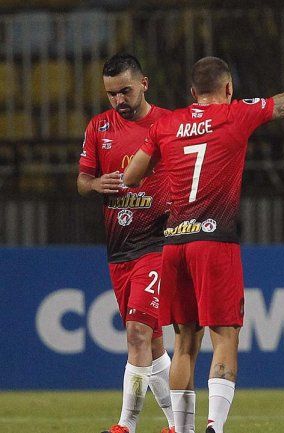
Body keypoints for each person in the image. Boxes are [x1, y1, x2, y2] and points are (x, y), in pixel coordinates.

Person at [123, 12, 284, 433]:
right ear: (228, 88)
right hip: (215, 240)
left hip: (173, 243)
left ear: (192, 92)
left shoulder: (168, 123)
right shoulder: (237, 113)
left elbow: (133, 175)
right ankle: (214, 427)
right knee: (224, 335)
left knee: (184, 341)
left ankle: (181, 428)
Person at [77, 53, 175, 433]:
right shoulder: (97, 127)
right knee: (151, 342)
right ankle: (177, 425)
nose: (119, 100)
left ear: (145, 84)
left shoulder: (168, 124)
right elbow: (82, 181)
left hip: (157, 243)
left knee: (136, 332)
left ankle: (125, 426)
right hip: (118, 249)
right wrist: (95, 184)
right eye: (111, 94)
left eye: (126, 91)